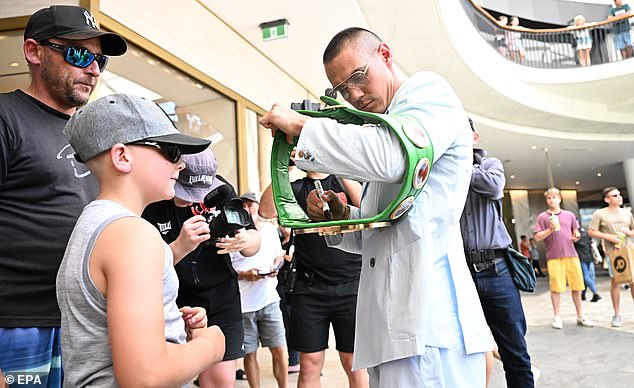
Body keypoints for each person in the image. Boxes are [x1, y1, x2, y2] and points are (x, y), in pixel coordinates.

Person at [259, 27, 490, 388]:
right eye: (340, 90)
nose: (353, 95)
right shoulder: (385, 126)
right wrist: (341, 216)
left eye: (357, 77)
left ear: (385, 54)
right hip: (398, 324)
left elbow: (395, 157)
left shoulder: (427, 92)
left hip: (428, 322)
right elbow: (386, 231)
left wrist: (306, 126)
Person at [56, 93, 225, 385]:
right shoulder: (132, 235)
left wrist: (169, 323)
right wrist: (211, 344)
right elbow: (146, 376)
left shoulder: (95, 224)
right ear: (122, 157)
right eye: (172, 151)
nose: (181, 164)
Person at [0, 5, 127, 384]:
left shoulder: (91, 134)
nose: (92, 69)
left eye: (99, 60)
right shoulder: (6, 117)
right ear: (34, 52)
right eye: (78, 53)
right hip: (19, 325)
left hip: (84, 322)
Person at [142, 150, 261, 387]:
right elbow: (145, 270)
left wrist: (246, 241)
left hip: (222, 298)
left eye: (200, 194)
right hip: (176, 301)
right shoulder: (153, 201)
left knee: (220, 381)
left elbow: (253, 242)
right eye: (187, 194)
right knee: (174, 379)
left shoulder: (222, 191)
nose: (194, 200)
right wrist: (180, 246)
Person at [259, 171, 367, 388]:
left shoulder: (343, 179)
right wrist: (284, 167)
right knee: (309, 363)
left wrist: (337, 164)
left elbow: (364, 206)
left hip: (351, 286)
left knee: (354, 362)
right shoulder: (297, 188)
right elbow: (266, 210)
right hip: (309, 288)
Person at [459, 121, 534, 387]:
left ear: (474, 137)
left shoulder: (490, 165)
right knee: (464, 352)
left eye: (461, 130)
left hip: (497, 270)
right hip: (459, 272)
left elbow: (493, 187)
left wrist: (457, 162)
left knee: (515, 352)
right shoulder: (440, 172)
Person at [231, 192, 288, 388]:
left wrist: (276, 268)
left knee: (280, 350)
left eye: (251, 204)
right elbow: (228, 269)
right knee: (249, 353)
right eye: (243, 205)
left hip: (269, 299)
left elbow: (280, 256)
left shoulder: (270, 230)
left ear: (258, 206)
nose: (248, 208)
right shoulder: (233, 234)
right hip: (244, 304)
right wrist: (245, 274)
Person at [534, 188, 593, 329]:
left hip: (572, 255)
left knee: (577, 286)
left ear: (560, 199)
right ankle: (557, 317)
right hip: (553, 257)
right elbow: (537, 237)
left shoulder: (569, 215)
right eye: (549, 198)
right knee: (556, 288)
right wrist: (550, 229)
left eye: (554, 197)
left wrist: (576, 236)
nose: (551, 200)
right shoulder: (542, 217)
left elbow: (576, 231)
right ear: (546, 200)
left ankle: (580, 315)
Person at [587, 186, 634, 327]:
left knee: (633, 281)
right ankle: (617, 314)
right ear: (607, 199)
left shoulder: (627, 213)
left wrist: (629, 233)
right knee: (616, 282)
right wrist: (608, 236)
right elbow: (591, 232)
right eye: (615, 195)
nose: (619, 197)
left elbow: (633, 230)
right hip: (614, 252)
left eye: (619, 194)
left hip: (629, 250)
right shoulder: (600, 214)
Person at [574, 226, 602, 302]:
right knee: (589, 276)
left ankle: (595, 293)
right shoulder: (586, 233)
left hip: (581, 257)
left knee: (585, 276)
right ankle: (583, 294)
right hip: (589, 257)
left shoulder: (575, 234)